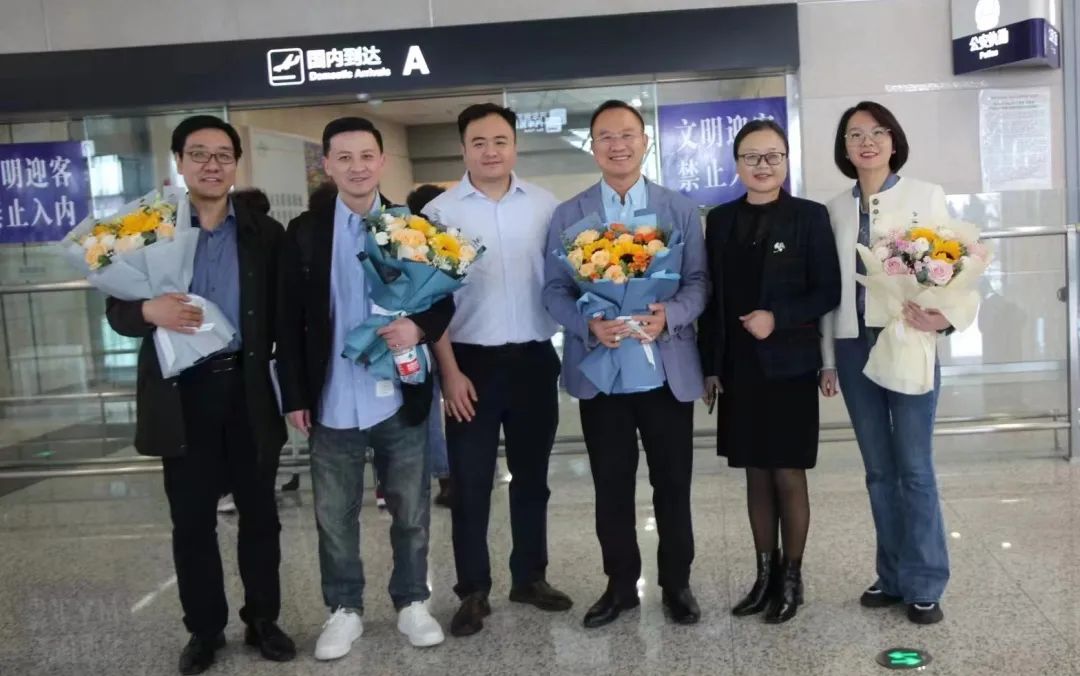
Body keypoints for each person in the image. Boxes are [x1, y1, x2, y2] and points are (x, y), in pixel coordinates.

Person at [106, 115, 295, 675]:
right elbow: (116, 309)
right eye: (199, 154)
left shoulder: (264, 233)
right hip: (181, 393)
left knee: (260, 515)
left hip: (247, 389)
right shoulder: (149, 229)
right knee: (192, 522)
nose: (212, 165)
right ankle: (205, 630)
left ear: (236, 162)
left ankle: (263, 619)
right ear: (179, 161)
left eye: (223, 155)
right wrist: (148, 310)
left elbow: (288, 316)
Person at [276, 117, 453, 659]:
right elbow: (288, 318)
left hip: (399, 394)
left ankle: (412, 602)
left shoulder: (412, 225)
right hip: (332, 397)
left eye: (366, 156)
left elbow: (443, 299)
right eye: (344, 157)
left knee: (411, 510)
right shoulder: (304, 232)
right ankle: (344, 609)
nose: (357, 167)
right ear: (327, 164)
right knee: (334, 515)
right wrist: (295, 394)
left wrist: (418, 328)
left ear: (382, 161)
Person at [542, 100, 708, 628]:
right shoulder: (568, 215)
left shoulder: (678, 208)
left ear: (645, 142)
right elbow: (554, 290)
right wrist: (586, 323)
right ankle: (619, 586)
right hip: (602, 369)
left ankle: (676, 583)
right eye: (606, 137)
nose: (618, 145)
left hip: (665, 368)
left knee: (672, 484)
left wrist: (670, 316)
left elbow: (698, 282)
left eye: (628, 135)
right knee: (611, 486)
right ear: (593, 146)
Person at [423, 104, 572, 637]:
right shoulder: (438, 213)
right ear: (463, 148)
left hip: (534, 359)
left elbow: (563, 279)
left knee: (532, 479)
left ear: (515, 146)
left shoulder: (546, 206)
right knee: (470, 484)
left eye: (500, 141)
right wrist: (449, 373)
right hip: (470, 365)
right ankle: (473, 590)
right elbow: (428, 301)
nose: (491, 151)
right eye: (479, 142)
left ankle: (530, 577)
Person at [698, 120, 840, 624]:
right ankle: (764, 577)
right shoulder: (720, 220)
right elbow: (711, 298)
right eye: (752, 157)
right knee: (754, 472)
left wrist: (777, 318)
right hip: (739, 366)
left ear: (786, 160)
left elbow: (828, 290)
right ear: (737, 164)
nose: (763, 165)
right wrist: (710, 366)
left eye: (773, 156)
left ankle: (792, 580)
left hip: (789, 364)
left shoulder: (809, 217)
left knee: (787, 470)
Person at [819, 101, 955, 625]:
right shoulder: (833, 209)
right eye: (855, 135)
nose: (867, 142)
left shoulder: (926, 195)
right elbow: (829, 293)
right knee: (879, 471)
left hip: (908, 340)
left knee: (914, 469)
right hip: (854, 345)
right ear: (845, 148)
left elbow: (955, 265)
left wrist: (943, 319)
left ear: (894, 140)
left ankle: (925, 582)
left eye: (877, 132)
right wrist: (828, 360)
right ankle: (893, 575)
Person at [406, 183, 453, 508]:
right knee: (465, 408)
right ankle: (463, 472)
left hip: (420, 337)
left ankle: (444, 476)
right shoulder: (452, 244)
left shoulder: (409, 244)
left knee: (431, 413)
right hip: (453, 336)